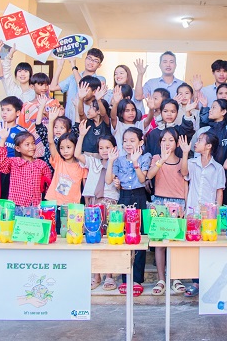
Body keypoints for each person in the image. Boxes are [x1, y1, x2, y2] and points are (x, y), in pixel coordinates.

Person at [106, 127, 151, 297]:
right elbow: (109, 180)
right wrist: (110, 161)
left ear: (140, 142)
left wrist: (135, 161)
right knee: (124, 238)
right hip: (123, 198)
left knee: (139, 239)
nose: (128, 144)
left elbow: (142, 179)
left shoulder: (145, 157)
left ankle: (137, 280)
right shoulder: (118, 159)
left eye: (133, 140)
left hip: (139, 197)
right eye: (125, 140)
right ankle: (125, 279)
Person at [75, 124, 119, 291]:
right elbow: (77, 154)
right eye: (101, 148)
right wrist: (81, 135)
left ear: (114, 148)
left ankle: (109, 276)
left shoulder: (117, 164)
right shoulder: (93, 162)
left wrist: (112, 160)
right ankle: (96, 275)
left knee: (108, 239)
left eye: (108, 147)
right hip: (93, 204)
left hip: (109, 202)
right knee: (93, 239)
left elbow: (108, 181)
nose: (104, 150)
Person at [181, 132, 224, 297]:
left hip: (209, 215)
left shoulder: (218, 168)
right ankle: (196, 283)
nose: (196, 143)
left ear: (208, 146)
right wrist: (185, 153)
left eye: (199, 140)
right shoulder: (192, 163)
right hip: (192, 212)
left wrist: (217, 214)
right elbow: (184, 173)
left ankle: (211, 282)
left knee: (209, 248)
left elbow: (219, 192)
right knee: (194, 248)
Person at [146, 129, 188, 297]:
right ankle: (161, 279)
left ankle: (175, 277)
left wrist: (185, 154)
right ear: (160, 143)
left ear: (177, 143)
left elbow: (185, 175)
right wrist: (161, 160)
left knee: (175, 242)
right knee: (160, 243)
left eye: (171, 140)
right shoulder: (156, 159)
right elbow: (149, 175)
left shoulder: (181, 161)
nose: (167, 143)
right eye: (164, 140)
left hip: (177, 204)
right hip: (159, 204)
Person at [0, 96, 39, 199]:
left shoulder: (22, 132)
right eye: (2, 110)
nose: (4, 113)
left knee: (4, 195)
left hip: (9, 169)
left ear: (17, 113)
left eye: (8, 110)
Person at [192, 99, 227, 204]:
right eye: (210, 107)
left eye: (214, 107)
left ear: (223, 112)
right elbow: (196, 155)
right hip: (205, 179)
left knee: (222, 213)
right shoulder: (204, 131)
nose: (210, 110)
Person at [0, 125, 52, 207]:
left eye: (33, 143)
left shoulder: (41, 164)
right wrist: (2, 140)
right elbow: (0, 163)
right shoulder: (14, 162)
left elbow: (49, 186)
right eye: (27, 144)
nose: (32, 147)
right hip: (17, 205)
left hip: (35, 206)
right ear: (18, 148)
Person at [45, 108, 88, 207]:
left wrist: (86, 204)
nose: (65, 151)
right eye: (61, 148)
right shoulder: (59, 161)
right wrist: (51, 121)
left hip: (72, 205)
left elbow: (85, 187)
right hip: (53, 202)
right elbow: (51, 142)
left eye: (69, 147)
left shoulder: (81, 166)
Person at [50, 49, 107, 122]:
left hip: (86, 122)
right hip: (69, 122)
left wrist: (73, 66)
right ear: (85, 59)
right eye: (89, 58)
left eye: (95, 61)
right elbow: (52, 87)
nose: (91, 62)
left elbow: (82, 85)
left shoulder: (100, 79)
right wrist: (60, 67)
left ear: (99, 65)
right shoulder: (73, 77)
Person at [75, 77, 111, 153]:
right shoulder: (88, 123)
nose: (88, 110)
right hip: (87, 157)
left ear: (98, 111)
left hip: (101, 157)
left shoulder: (106, 123)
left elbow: (103, 114)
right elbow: (81, 113)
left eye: (92, 107)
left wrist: (98, 100)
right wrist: (81, 99)